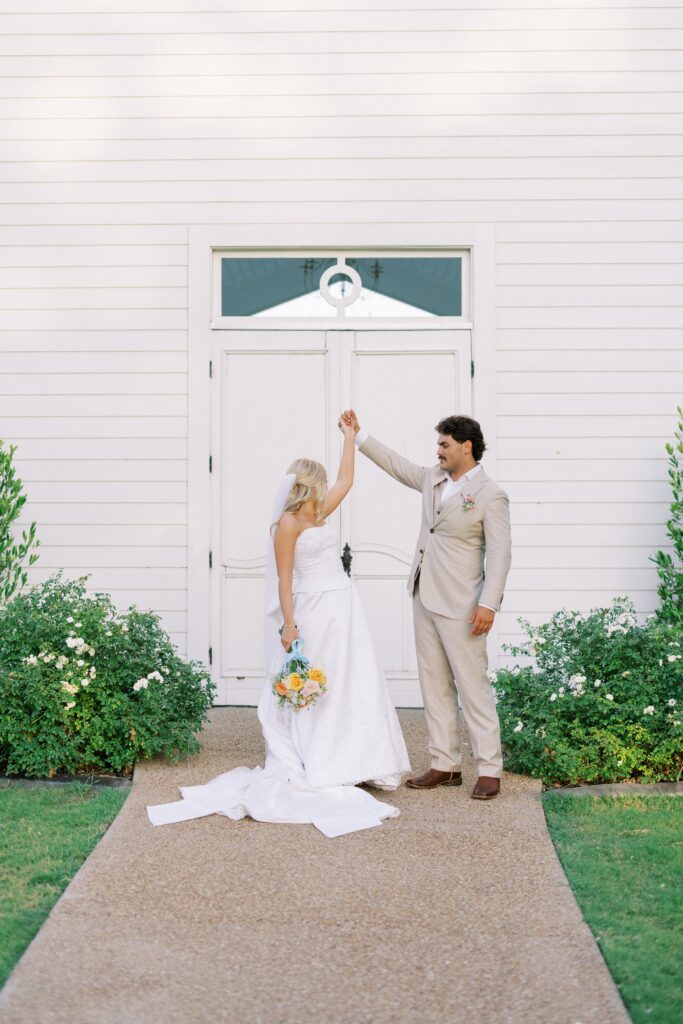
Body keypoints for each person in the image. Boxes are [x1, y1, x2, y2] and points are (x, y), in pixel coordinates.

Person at [147, 417, 410, 837]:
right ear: (309, 484)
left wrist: (348, 437)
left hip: (343, 605)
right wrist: (289, 625)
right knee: (314, 684)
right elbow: (285, 578)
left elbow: (348, 477)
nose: (326, 488)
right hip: (311, 609)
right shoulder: (287, 525)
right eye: (320, 483)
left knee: (350, 681)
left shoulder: (321, 511)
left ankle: (359, 760)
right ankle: (318, 758)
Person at [342, 410, 512, 800]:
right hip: (423, 593)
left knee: (473, 686)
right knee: (433, 683)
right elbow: (397, 466)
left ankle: (489, 769)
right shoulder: (433, 479)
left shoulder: (491, 495)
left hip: (464, 604)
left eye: (444, 444)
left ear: (466, 447)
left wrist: (489, 604)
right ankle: (444, 764)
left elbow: (500, 555)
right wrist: (358, 435)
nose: (438, 451)